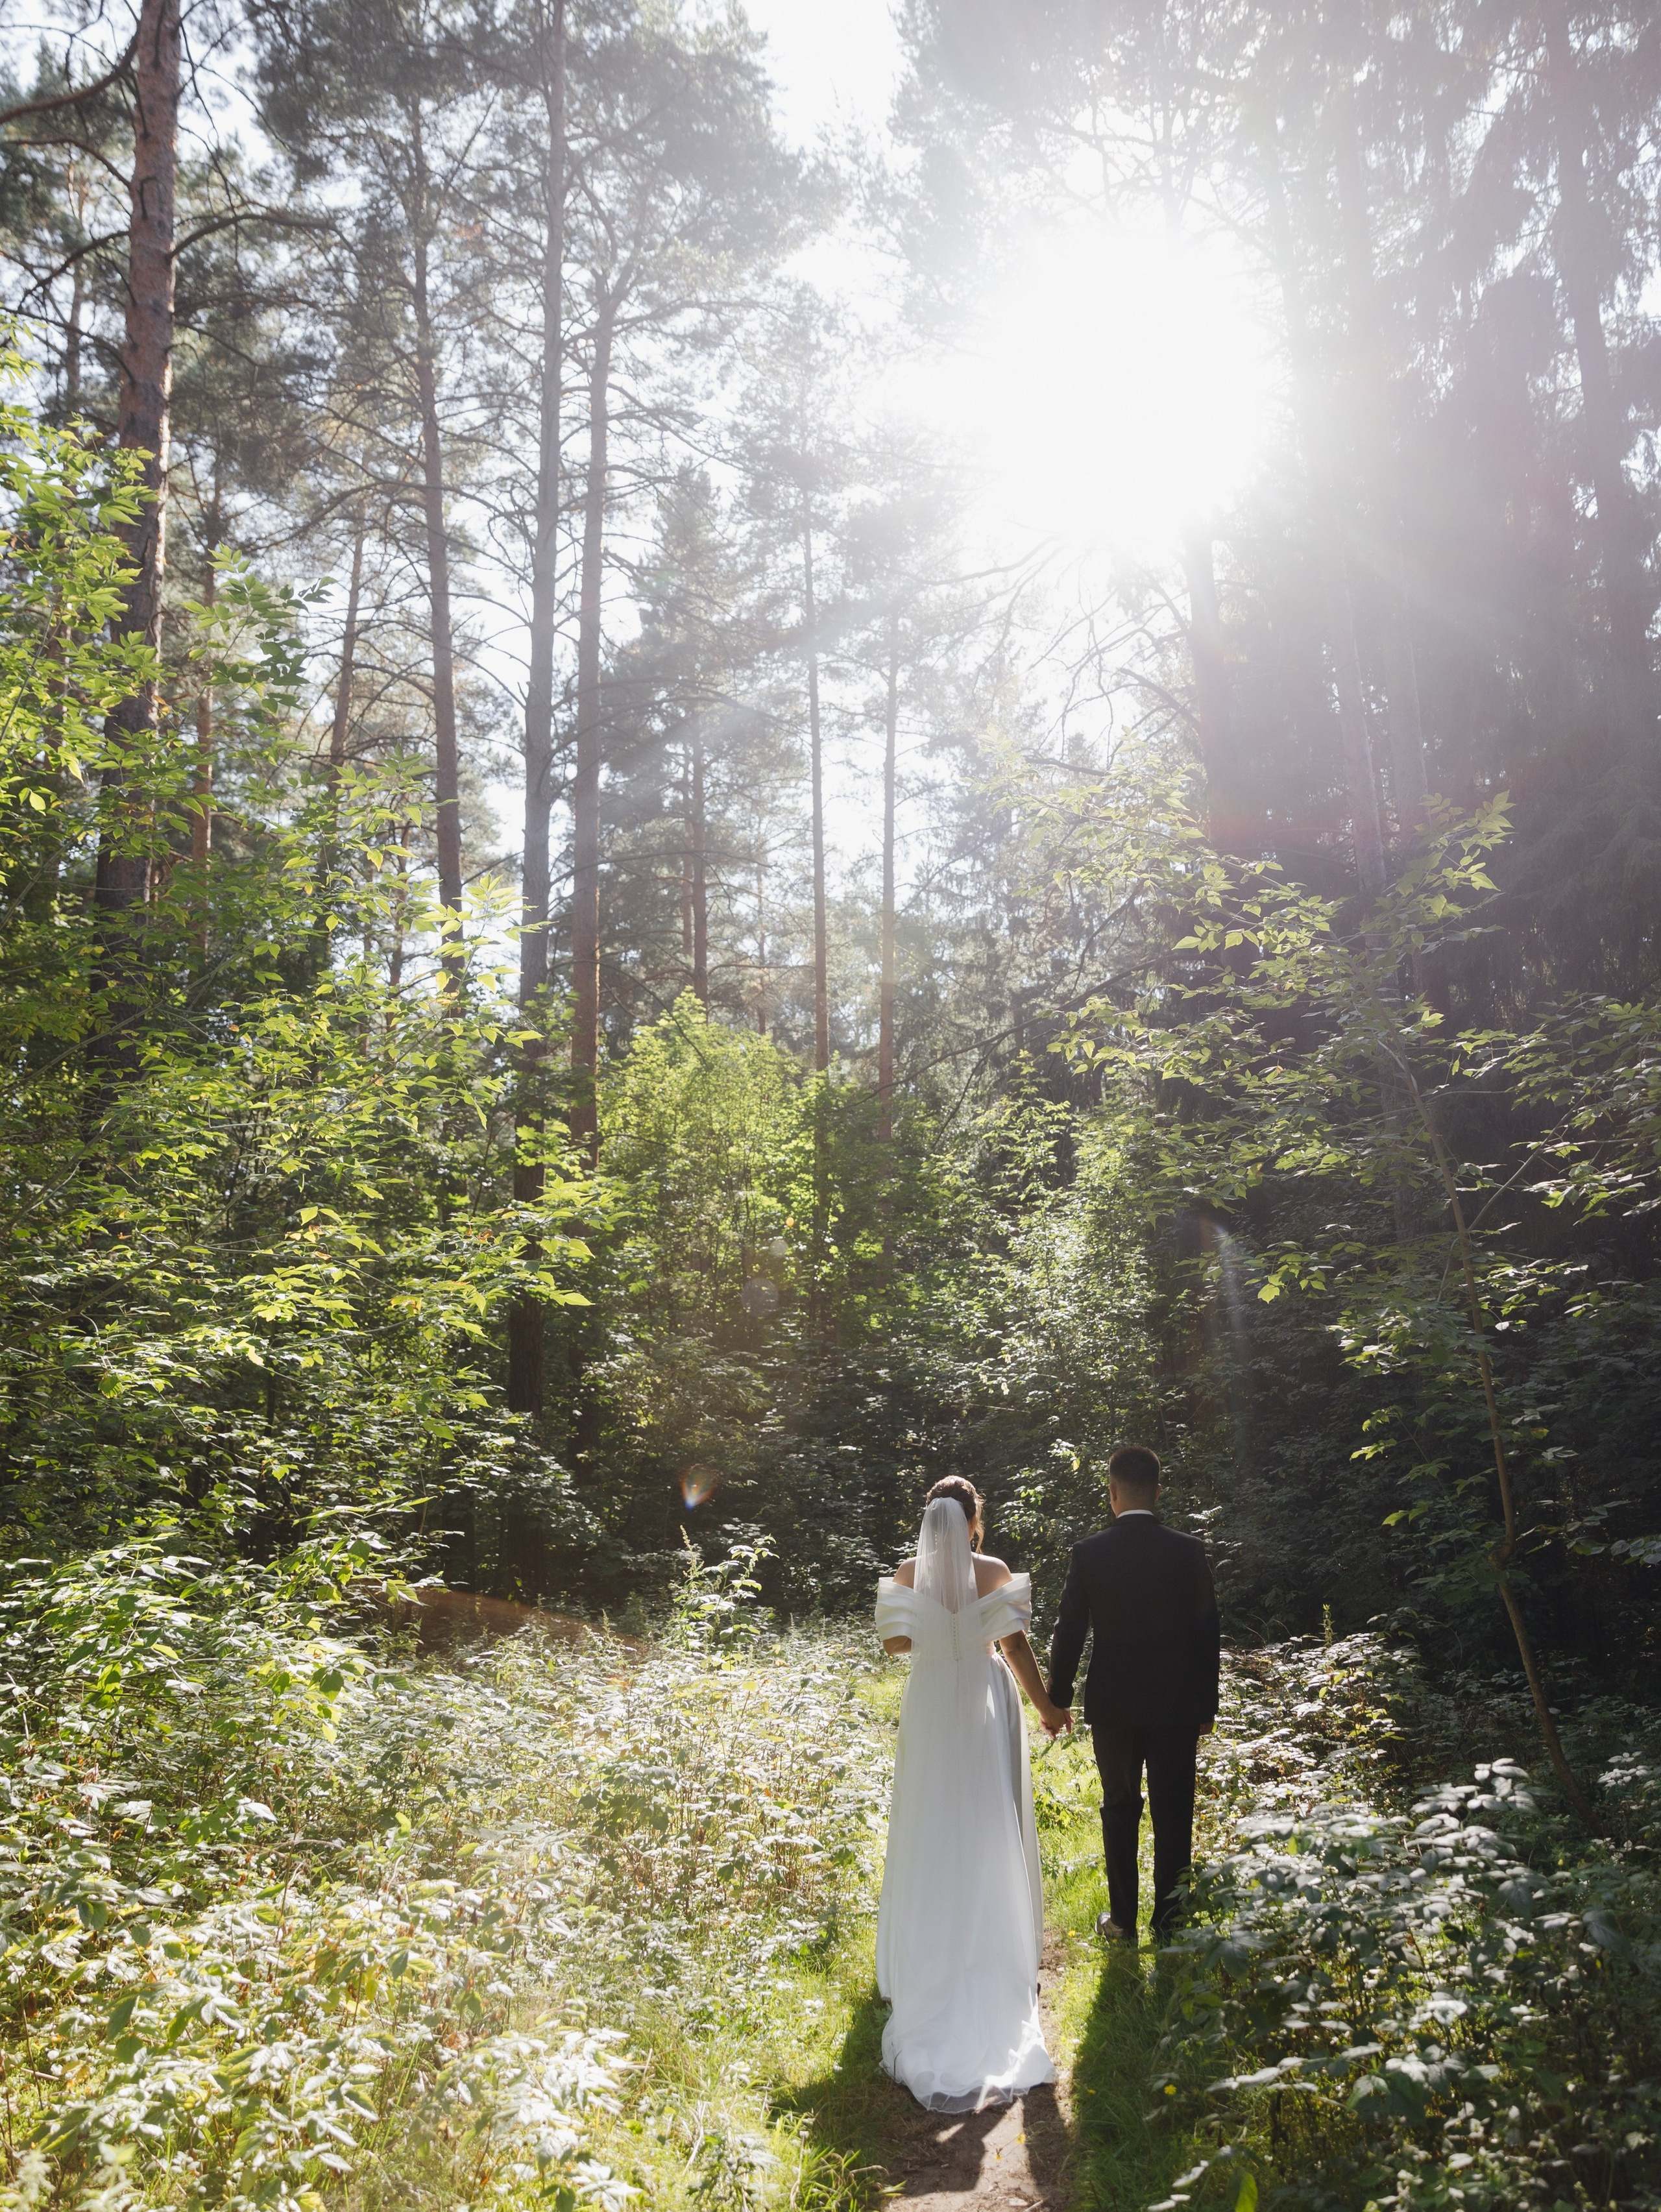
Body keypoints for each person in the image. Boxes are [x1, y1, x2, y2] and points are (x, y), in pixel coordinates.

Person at [874, 1476, 1070, 2111]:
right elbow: (1012, 1643)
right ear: (974, 1517)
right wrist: (1045, 1704)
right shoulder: (994, 1569)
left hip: (931, 1701)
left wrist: (936, 1618)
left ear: (929, 1517)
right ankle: (994, 1947)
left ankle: (931, 1949)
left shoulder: (907, 1570)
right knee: (991, 1822)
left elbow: (896, 1643)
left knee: (931, 1824)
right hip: (985, 1702)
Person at [1045, 1444, 1220, 1944]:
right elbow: (1209, 1629)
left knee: (1119, 1805)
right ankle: (1171, 1925)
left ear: (1112, 1493)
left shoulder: (1090, 1552)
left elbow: (1069, 1629)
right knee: (1174, 1812)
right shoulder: (1187, 1550)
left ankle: (1122, 1921)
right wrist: (1206, 1705)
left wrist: (1057, 1697)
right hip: (1176, 1705)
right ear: (1158, 1492)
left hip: (1115, 1705)